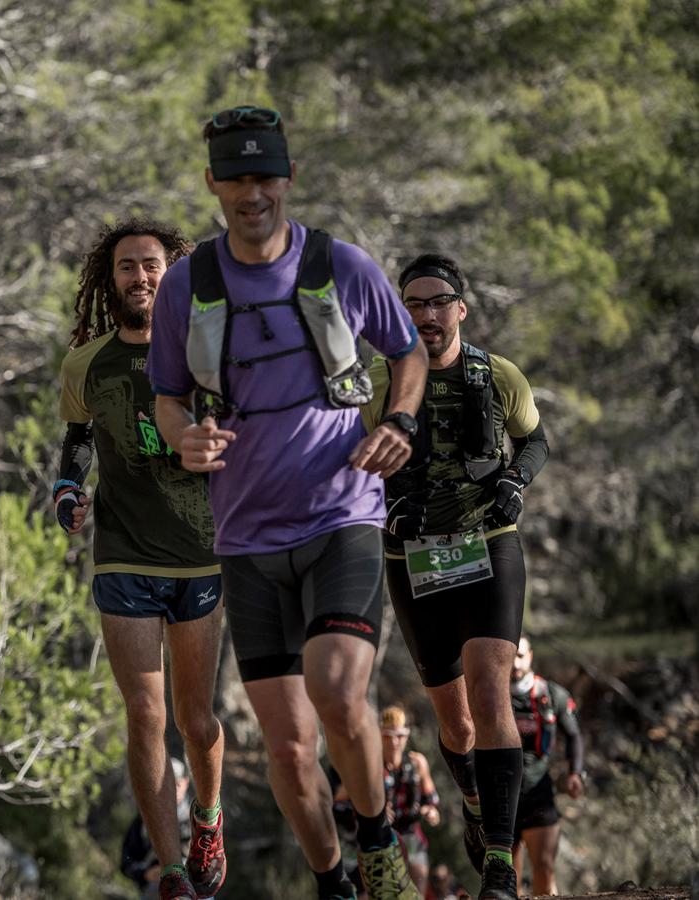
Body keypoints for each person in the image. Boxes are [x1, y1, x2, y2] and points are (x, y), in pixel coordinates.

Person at [148, 104, 429, 900]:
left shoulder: (342, 266)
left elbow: (406, 354)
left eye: (265, 175)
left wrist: (400, 421)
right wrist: (182, 439)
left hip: (343, 515)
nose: (252, 193)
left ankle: (377, 843)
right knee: (289, 748)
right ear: (212, 183)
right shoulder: (186, 286)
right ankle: (334, 881)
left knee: (341, 696)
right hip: (247, 540)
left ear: (290, 177)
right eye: (235, 178)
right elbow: (169, 397)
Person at [362, 253, 550, 900]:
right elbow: (346, 463)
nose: (426, 315)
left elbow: (534, 441)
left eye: (437, 301)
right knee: (457, 725)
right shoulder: (380, 383)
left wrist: (515, 485)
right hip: (413, 559)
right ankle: (474, 798)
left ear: (461, 309)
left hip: (488, 546)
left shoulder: (498, 376)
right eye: (412, 304)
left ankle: (500, 861)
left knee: (491, 692)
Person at [57, 219, 226, 900]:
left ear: (173, 274)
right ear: (110, 278)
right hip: (122, 558)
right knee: (145, 717)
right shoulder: (86, 364)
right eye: (127, 267)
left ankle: (208, 819)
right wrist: (67, 492)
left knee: (199, 719)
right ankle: (173, 868)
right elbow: (76, 443)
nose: (140, 278)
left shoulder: (205, 353)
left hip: (200, 558)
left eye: (152, 266)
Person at [329, 707, 440, 899]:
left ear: (407, 735)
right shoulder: (367, 767)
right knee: (360, 889)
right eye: (388, 736)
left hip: (406, 833)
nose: (394, 742)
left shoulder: (416, 764)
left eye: (400, 736)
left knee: (417, 874)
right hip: (366, 835)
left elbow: (431, 800)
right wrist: (367, 811)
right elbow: (336, 805)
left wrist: (430, 811)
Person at [510, 636, 585, 897]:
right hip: (499, 800)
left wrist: (575, 773)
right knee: (507, 880)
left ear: (530, 656)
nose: (515, 662)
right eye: (509, 656)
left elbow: (574, 735)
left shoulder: (551, 695)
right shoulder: (489, 695)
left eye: (520, 655)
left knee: (545, 870)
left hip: (539, 795)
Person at [122, 757, 195, 899]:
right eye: (166, 784)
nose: (172, 789)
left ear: (186, 783)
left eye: (177, 784)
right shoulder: (145, 820)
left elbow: (211, 867)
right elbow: (126, 862)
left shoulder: (197, 818)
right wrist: (145, 873)